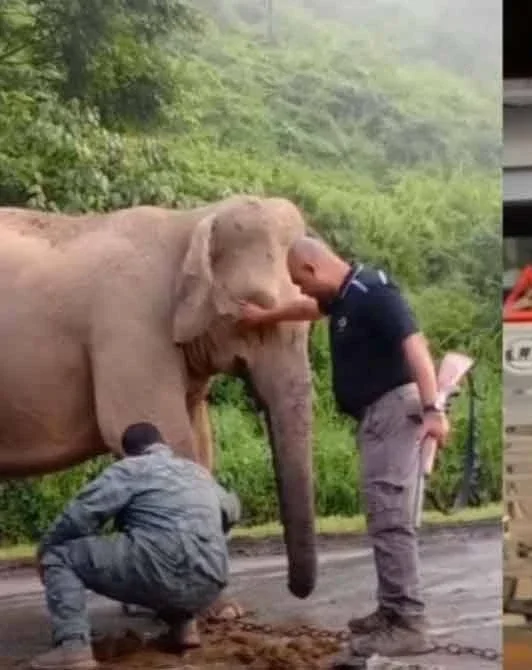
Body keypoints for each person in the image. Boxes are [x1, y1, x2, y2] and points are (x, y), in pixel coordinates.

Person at [238, 237, 450, 658]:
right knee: (382, 515)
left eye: (301, 282)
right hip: (376, 417)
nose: (302, 291)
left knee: (391, 519)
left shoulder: (374, 293)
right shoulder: (345, 297)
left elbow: (416, 348)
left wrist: (433, 410)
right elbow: (309, 310)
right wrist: (267, 315)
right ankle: (390, 611)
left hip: (393, 411)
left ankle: (408, 622)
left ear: (314, 270)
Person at [30, 423, 241, 670]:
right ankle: (184, 628)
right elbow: (232, 510)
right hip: (211, 582)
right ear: (163, 444)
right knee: (176, 554)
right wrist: (210, 542)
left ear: (127, 452)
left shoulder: (130, 469)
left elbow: (81, 515)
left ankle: (73, 647)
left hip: (158, 569)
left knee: (59, 557)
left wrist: (45, 549)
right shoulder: (197, 472)